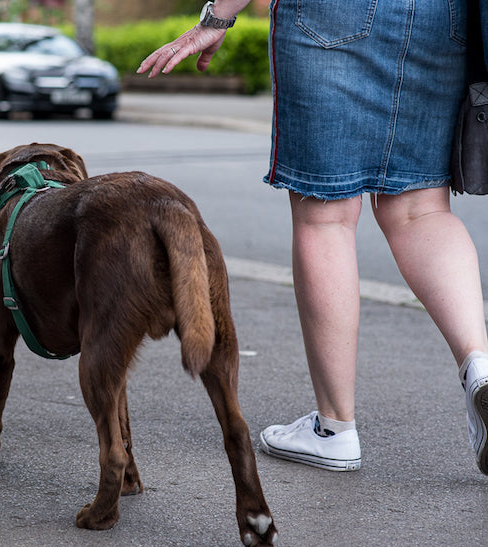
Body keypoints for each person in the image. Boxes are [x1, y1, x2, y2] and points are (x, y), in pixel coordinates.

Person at [139, 0, 488, 474]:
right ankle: (480, 367)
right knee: (420, 210)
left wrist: (217, 16)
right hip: (439, 19)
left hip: (333, 17)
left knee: (325, 218)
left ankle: (335, 429)